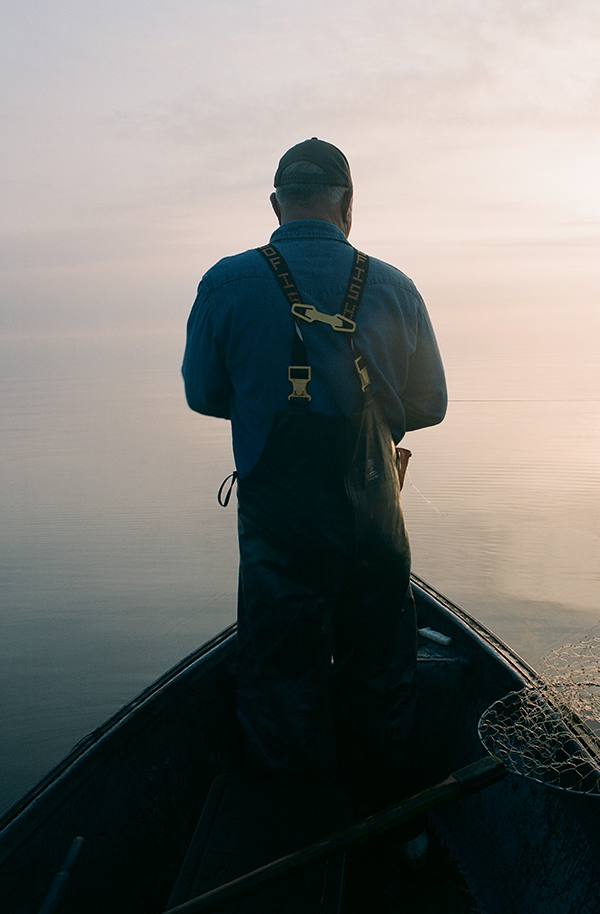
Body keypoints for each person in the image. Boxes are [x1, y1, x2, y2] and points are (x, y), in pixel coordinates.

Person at [182, 139, 447, 841]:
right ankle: (391, 830)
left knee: (278, 680)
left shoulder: (226, 283)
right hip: (375, 524)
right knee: (383, 672)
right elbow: (430, 406)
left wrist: (267, 394)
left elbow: (204, 393)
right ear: (348, 205)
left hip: (282, 531)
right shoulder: (394, 285)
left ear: (276, 205)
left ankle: (293, 842)